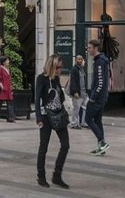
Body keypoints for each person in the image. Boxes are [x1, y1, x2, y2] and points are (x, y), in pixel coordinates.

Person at [35, 54, 70, 189]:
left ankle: (57, 175)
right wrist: (38, 118)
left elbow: (60, 98)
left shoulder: (56, 79)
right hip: (45, 116)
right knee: (43, 147)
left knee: (65, 145)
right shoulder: (41, 79)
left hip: (59, 114)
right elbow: (37, 99)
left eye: (61, 67)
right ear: (51, 66)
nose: (59, 70)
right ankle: (41, 176)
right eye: (57, 67)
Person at [86, 39, 110, 155]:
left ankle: (102, 141)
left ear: (95, 48)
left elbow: (100, 82)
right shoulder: (100, 61)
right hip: (102, 96)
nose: (88, 50)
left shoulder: (100, 61)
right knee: (97, 120)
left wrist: (93, 96)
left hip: (98, 97)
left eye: (89, 48)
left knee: (88, 118)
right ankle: (101, 145)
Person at [68, 54, 88, 129]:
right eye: (78, 59)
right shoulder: (74, 69)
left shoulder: (81, 69)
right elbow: (73, 81)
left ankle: (83, 122)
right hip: (77, 93)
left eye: (81, 59)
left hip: (83, 92)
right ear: (75, 60)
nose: (80, 60)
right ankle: (74, 123)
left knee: (86, 106)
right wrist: (75, 92)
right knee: (76, 109)